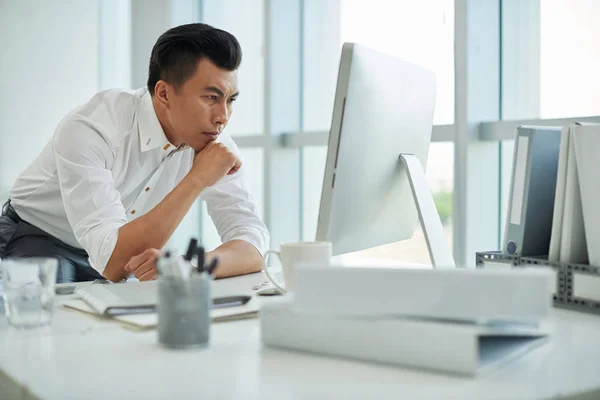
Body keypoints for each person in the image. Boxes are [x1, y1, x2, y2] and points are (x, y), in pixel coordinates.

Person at [0, 23, 269, 283]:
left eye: (230, 100)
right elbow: (114, 264)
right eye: (211, 98)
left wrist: (188, 265)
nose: (223, 116)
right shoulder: (93, 128)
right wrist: (198, 178)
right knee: (46, 321)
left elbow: (254, 243)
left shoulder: (213, 140)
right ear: (164, 93)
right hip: (37, 236)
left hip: (114, 253)